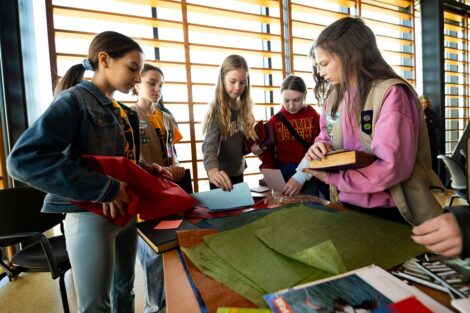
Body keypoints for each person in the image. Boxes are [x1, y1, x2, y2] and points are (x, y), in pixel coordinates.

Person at [6, 31, 162, 313]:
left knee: (124, 292)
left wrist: (145, 170)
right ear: (105, 60)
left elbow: (119, 163)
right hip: (91, 216)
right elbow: (23, 160)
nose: (137, 79)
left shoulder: (123, 112)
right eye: (132, 68)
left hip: (125, 214)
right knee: (95, 307)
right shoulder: (74, 101)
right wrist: (105, 188)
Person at [292, 17, 443, 225]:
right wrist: (319, 148)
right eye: (317, 66)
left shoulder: (391, 93)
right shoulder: (333, 98)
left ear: (351, 56)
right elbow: (326, 136)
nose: (320, 72)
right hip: (347, 203)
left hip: (394, 210)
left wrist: (332, 179)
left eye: (324, 64)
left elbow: (391, 167)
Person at [131, 63, 185, 313]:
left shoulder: (167, 117)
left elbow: (172, 152)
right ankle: (154, 307)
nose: (157, 89)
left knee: (171, 247)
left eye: (160, 84)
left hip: (168, 191)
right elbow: (127, 158)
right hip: (144, 194)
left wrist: (175, 165)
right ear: (137, 83)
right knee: (151, 255)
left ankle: (171, 303)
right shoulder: (127, 116)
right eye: (152, 83)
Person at [255, 75, 326, 197]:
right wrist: (271, 176)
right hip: (284, 176)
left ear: (304, 96)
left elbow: (321, 147)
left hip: (309, 173)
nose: (291, 105)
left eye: (296, 100)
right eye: (286, 100)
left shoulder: (315, 117)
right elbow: (268, 154)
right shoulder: (275, 121)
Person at [202, 54, 257, 191]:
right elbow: (209, 145)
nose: (237, 87)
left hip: (238, 170)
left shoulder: (244, 108)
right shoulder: (216, 110)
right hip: (220, 175)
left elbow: (242, 142)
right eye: (232, 81)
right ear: (222, 79)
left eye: (242, 82)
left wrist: (254, 147)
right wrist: (212, 171)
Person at [419, 95, 439, 171]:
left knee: (434, 160)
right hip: (422, 141)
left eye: (426, 102)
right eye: (422, 102)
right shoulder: (416, 113)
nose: (424, 104)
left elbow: (436, 124)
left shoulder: (430, 112)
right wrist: (429, 122)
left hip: (432, 140)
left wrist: (427, 121)